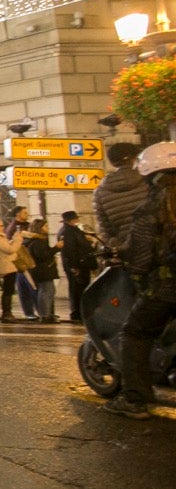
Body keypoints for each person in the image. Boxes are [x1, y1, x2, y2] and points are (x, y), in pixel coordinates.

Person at [103, 142, 176, 419]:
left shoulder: (150, 209)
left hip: (166, 289)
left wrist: (132, 267)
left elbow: (142, 261)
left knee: (134, 333)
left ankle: (134, 399)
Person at [95, 141, 147, 257]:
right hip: (155, 246)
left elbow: (105, 228)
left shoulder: (100, 191)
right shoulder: (148, 181)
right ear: (135, 158)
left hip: (128, 251)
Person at [59, 211, 98, 322]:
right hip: (77, 265)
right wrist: (73, 266)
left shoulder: (74, 231)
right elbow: (69, 251)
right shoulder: (68, 232)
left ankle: (81, 312)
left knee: (81, 288)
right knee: (77, 289)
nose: (77, 221)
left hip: (82, 264)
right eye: (75, 219)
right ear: (71, 220)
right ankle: (77, 313)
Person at [24, 217, 60, 323]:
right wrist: (56, 248)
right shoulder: (37, 242)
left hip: (43, 270)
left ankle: (47, 313)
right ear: (39, 228)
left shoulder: (39, 240)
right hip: (43, 271)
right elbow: (43, 255)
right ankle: (45, 315)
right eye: (45, 226)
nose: (48, 228)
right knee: (46, 292)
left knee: (48, 291)